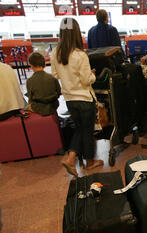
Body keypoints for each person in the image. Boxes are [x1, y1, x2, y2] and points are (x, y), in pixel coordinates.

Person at [51, 18, 103, 177]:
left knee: (80, 129)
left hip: (69, 99)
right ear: (76, 33)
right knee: (87, 131)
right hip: (84, 99)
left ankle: (71, 159)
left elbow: (55, 74)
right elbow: (86, 80)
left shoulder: (56, 53)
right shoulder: (80, 55)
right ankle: (89, 162)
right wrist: (92, 75)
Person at [26, 52, 61, 116]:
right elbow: (59, 93)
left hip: (38, 108)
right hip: (53, 105)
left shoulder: (29, 81)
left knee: (27, 106)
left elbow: (30, 98)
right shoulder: (52, 78)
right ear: (44, 64)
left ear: (31, 66)